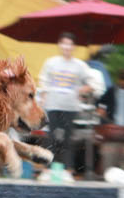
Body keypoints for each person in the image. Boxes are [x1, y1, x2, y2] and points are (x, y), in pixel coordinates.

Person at [37, 32, 99, 175]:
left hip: (70, 107)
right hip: (52, 105)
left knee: (68, 138)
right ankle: (47, 167)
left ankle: (68, 168)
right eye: (64, 43)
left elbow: (93, 83)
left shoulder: (80, 65)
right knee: (51, 136)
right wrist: (43, 98)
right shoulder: (51, 62)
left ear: (74, 47)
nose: (67, 47)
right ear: (59, 45)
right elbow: (44, 81)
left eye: (70, 44)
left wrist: (85, 88)